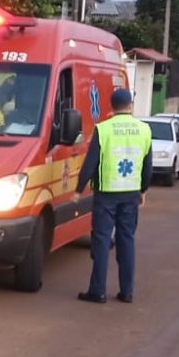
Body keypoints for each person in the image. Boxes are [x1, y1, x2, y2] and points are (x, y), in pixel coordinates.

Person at [73, 88, 152, 304]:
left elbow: (91, 163)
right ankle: (127, 292)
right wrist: (143, 190)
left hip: (106, 194)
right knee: (126, 241)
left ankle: (97, 291)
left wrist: (79, 189)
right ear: (130, 105)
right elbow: (147, 165)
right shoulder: (144, 130)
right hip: (130, 194)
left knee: (101, 241)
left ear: (111, 106)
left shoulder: (104, 129)